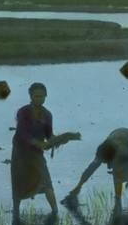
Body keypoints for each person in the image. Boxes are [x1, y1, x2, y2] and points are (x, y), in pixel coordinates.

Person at [10, 82, 79, 217]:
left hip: (36, 154)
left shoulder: (47, 115)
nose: (39, 99)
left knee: (46, 182)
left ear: (46, 96)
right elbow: (23, 133)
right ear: (30, 96)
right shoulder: (23, 112)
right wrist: (38, 143)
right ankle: (16, 213)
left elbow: (49, 136)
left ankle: (55, 212)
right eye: (36, 96)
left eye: (42, 96)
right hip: (20, 152)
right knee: (18, 183)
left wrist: (63, 138)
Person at [65, 127, 128, 202]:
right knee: (117, 174)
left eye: (108, 163)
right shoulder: (102, 152)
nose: (108, 167)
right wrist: (79, 186)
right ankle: (118, 200)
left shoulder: (123, 152)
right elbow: (91, 168)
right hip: (117, 136)